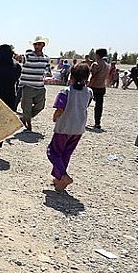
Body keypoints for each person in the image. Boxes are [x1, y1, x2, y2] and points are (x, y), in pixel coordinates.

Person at [47, 63, 93, 192]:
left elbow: (60, 109)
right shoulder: (89, 92)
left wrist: (55, 117)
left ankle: (63, 176)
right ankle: (58, 178)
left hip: (64, 128)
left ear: (71, 76)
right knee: (66, 154)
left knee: (53, 152)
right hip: (78, 128)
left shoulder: (65, 91)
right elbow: (85, 105)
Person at [19, 36, 50, 131]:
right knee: (26, 107)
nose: (36, 46)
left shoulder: (46, 58)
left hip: (40, 86)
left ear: (43, 45)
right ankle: (28, 124)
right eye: (35, 44)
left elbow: (48, 71)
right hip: (27, 86)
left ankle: (25, 118)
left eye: (39, 44)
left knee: (40, 106)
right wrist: (18, 57)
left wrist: (47, 74)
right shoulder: (28, 55)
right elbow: (22, 59)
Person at [87, 48, 109, 129]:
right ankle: (97, 123)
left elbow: (93, 76)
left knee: (85, 104)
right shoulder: (107, 65)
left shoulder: (96, 64)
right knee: (99, 106)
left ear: (97, 54)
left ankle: (80, 120)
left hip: (94, 87)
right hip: (102, 87)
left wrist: (89, 86)